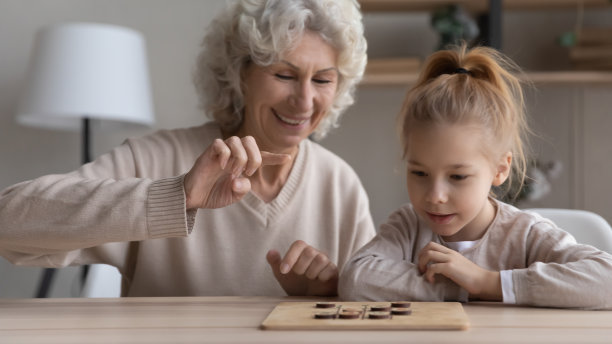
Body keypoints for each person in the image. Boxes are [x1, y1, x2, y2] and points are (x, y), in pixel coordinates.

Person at [0, 0, 376, 297]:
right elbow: (8, 222)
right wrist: (174, 196)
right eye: (284, 75)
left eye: (323, 79)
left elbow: (373, 303)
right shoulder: (157, 158)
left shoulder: (339, 185)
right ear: (238, 73)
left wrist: (329, 292)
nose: (305, 101)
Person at [338, 44, 612, 309]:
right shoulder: (407, 227)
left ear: (500, 169)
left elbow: (606, 280)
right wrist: (458, 287)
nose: (435, 195)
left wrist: (487, 282)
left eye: (457, 176)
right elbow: (356, 278)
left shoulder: (525, 234)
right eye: (419, 172)